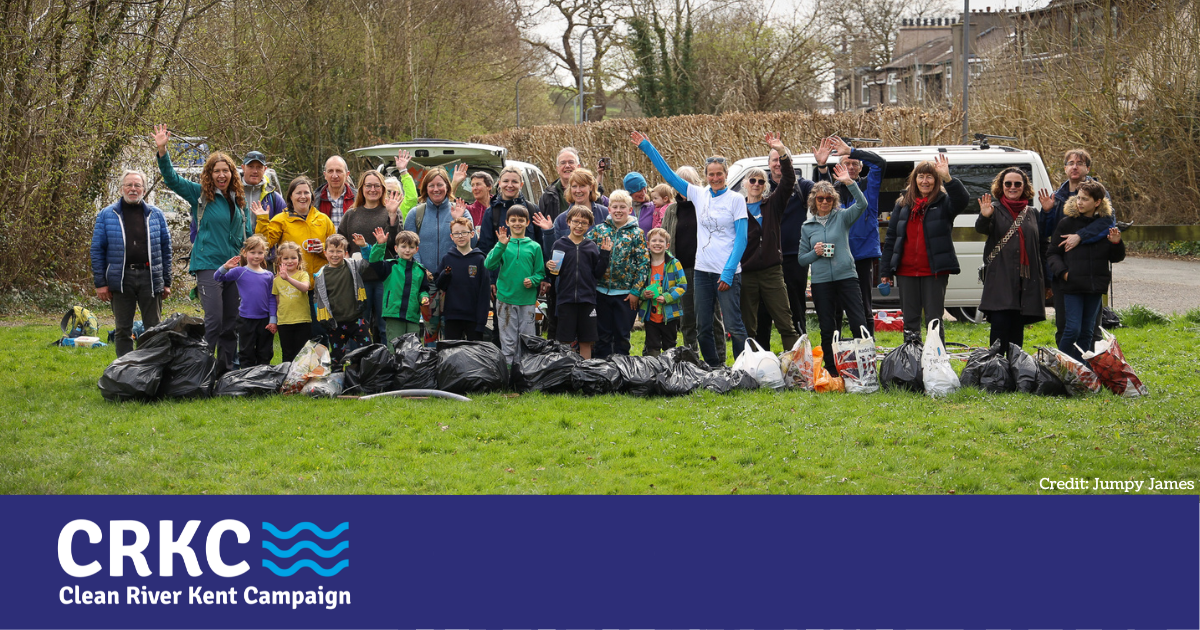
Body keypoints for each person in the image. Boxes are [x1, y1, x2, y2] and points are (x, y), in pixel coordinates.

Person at [633, 130, 749, 367]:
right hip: (702, 271)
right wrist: (647, 146)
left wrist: (728, 272)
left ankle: (741, 366)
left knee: (734, 325)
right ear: (705, 176)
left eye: (719, 174)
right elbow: (667, 174)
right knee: (702, 325)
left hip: (727, 272)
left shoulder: (736, 200)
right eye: (711, 174)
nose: (715, 178)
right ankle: (713, 366)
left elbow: (742, 239)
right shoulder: (699, 194)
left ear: (726, 175)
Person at [153, 124, 251, 373]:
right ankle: (202, 370)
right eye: (216, 171)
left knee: (231, 322)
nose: (221, 175)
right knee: (214, 320)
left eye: (225, 170)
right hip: (208, 264)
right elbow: (172, 179)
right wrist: (163, 150)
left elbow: (246, 235)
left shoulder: (238, 201)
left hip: (234, 268)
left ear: (232, 173)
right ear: (209, 173)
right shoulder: (200, 195)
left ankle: (225, 371)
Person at [880, 155, 968, 343]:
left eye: (930, 177)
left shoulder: (944, 202)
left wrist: (948, 178)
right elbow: (891, 238)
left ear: (936, 181)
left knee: (934, 320)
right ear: (915, 179)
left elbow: (962, 200)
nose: (925, 181)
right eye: (921, 176)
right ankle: (911, 361)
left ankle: (936, 363)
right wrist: (885, 270)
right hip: (906, 271)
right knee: (910, 320)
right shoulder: (902, 204)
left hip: (933, 271)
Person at [797, 164, 870, 376]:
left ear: (834, 200)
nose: (825, 202)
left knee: (858, 322)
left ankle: (864, 367)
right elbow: (802, 260)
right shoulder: (807, 227)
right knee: (828, 327)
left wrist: (849, 182)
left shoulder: (842, 217)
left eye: (829, 199)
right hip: (821, 283)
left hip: (846, 277)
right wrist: (815, 253)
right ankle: (831, 371)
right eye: (820, 198)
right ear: (814, 201)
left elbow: (862, 203)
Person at [90, 169, 172, 357]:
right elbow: (97, 250)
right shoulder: (106, 215)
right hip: (121, 278)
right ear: (121, 189)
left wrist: (166, 282)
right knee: (123, 329)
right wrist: (101, 283)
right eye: (129, 185)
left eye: (137, 185)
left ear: (144, 189)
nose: (133, 189)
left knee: (154, 329)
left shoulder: (156, 215)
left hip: (150, 277)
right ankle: (124, 372)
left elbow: (166, 249)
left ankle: (152, 369)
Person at [1037, 148, 1114, 344]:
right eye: (1070, 163)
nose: (1075, 167)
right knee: (1065, 327)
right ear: (1065, 168)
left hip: (1091, 270)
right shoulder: (1057, 197)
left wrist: (1079, 237)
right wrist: (1046, 212)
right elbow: (1046, 233)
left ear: (1087, 168)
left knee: (1091, 330)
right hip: (1063, 271)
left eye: (1079, 163)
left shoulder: (1100, 194)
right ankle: (1065, 369)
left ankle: (1089, 370)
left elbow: (1106, 224)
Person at [1046, 180, 1124, 360]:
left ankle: (1081, 371)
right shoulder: (1066, 223)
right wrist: (1064, 273)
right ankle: (1063, 365)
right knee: (1072, 329)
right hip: (1071, 285)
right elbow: (1052, 254)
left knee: (1087, 332)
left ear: (1097, 202)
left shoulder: (1106, 226)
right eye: (1078, 198)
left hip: (1095, 285)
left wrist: (1116, 243)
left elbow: (1116, 257)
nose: (1079, 202)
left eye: (1085, 199)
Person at [819, 136, 888, 334]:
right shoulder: (834, 190)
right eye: (846, 163)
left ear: (860, 167)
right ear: (839, 167)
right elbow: (821, 194)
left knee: (864, 304)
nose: (850, 166)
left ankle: (868, 349)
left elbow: (880, 163)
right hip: (836, 255)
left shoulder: (869, 185)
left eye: (854, 163)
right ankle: (836, 350)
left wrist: (852, 150)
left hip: (862, 254)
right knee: (835, 308)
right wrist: (822, 167)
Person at [740, 132, 801, 353]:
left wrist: (782, 153)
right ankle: (750, 367)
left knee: (786, 322)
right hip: (745, 273)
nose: (756, 184)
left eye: (760, 181)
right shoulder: (736, 208)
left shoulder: (772, 204)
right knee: (748, 326)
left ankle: (795, 369)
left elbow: (788, 180)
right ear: (745, 184)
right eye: (752, 180)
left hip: (772, 272)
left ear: (765, 185)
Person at [661, 166, 726, 362]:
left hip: (705, 270)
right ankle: (693, 361)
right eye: (678, 184)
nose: (683, 188)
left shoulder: (706, 205)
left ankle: (718, 360)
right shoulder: (672, 210)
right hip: (680, 272)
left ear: (695, 184)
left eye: (687, 183)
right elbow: (664, 239)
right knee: (687, 319)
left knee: (711, 318)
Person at [977, 167, 1046, 349]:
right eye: (1008, 183)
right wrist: (985, 217)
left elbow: (1042, 246)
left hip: (1025, 282)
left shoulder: (1032, 213)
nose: (1012, 187)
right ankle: (997, 371)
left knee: (1017, 334)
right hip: (1000, 280)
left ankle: (1015, 371)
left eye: (1017, 184)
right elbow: (982, 229)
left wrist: (1047, 281)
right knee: (999, 330)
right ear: (1001, 186)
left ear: (1024, 187)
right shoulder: (994, 210)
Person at [402, 166, 470, 345]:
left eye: (440, 184)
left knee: (452, 328)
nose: (436, 189)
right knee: (430, 329)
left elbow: (473, 243)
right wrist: (421, 269)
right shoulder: (416, 214)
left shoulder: (461, 210)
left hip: (454, 282)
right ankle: (430, 364)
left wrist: (459, 220)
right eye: (431, 185)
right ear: (425, 188)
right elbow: (408, 247)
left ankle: (451, 365)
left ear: (447, 187)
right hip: (427, 283)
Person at [478, 165, 545, 343]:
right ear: (499, 183)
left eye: (514, 181)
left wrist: (542, 279)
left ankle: (525, 367)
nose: (510, 185)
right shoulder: (492, 212)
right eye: (506, 181)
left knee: (527, 331)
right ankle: (505, 367)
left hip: (527, 286)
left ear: (521, 184)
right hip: (503, 285)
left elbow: (540, 245)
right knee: (502, 331)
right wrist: (491, 280)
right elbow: (486, 248)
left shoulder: (532, 210)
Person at [339, 170, 405, 344]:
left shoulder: (392, 212)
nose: (373, 189)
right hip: (360, 280)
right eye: (368, 185)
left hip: (386, 279)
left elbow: (397, 243)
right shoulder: (351, 214)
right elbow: (341, 242)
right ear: (362, 188)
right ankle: (358, 364)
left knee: (386, 327)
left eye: (377, 185)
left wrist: (392, 216)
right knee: (360, 326)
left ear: (383, 188)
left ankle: (388, 364)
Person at [768, 135, 823, 339]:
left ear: (789, 163)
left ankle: (801, 346)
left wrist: (822, 167)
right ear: (769, 165)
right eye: (773, 160)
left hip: (794, 256)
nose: (777, 164)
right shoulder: (761, 187)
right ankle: (763, 352)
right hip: (768, 257)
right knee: (765, 307)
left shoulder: (802, 186)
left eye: (781, 159)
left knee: (796, 303)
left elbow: (824, 194)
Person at [546, 205, 611, 359]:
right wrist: (548, 267)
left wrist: (605, 255)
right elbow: (554, 273)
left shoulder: (591, 246)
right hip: (566, 300)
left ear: (589, 226)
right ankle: (565, 372)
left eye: (584, 222)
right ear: (568, 222)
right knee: (565, 340)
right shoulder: (559, 244)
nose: (579, 225)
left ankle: (586, 373)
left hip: (587, 300)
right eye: (575, 221)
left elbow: (598, 273)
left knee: (586, 340)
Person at [589, 190, 649, 358]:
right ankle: (603, 371)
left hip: (626, 296)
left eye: (622, 207)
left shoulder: (637, 234)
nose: (618, 210)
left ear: (630, 210)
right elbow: (585, 252)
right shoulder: (599, 231)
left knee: (622, 336)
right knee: (603, 336)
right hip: (601, 292)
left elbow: (643, 264)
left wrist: (636, 291)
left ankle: (622, 371)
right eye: (614, 207)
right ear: (609, 209)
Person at [484, 204, 545, 367]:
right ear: (507, 222)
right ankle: (509, 373)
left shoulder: (535, 247)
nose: (517, 223)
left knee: (526, 339)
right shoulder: (503, 245)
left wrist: (532, 280)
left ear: (527, 223)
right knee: (508, 340)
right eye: (513, 220)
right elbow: (489, 264)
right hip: (505, 300)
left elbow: (540, 273)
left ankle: (525, 373)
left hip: (527, 301)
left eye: (521, 220)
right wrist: (500, 245)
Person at [255, 176, 337, 277]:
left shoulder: (323, 219)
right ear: (290, 196)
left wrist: (323, 248)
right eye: (298, 193)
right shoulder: (281, 219)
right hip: (291, 282)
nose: (303, 196)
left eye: (306, 193)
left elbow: (336, 246)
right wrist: (262, 220)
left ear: (311, 195)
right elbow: (264, 245)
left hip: (320, 281)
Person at [214, 235, 275, 368]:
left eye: (260, 253)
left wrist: (273, 319)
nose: (256, 256)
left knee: (264, 351)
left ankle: (262, 377)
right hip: (245, 319)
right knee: (246, 351)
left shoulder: (268, 275)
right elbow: (218, 277)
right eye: (252, 253)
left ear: (265, 253)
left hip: (264, 320)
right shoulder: (239, 271)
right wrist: (226, 266)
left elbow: (272, 298)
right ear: (245, 253)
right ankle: (246, 378)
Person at [312, 234, 372, 363]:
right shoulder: (320, 275)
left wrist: (364, 246)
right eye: (331, 251)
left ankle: (364, 377)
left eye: (339, 251)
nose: (335, 255)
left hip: (356, 319)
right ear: (325, 253)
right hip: (336, 324)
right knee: (337, 357)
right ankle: (337, 380)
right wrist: (320, 315)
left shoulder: (353, 266)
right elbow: (317, 298)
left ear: (345, 253)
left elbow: (368, 260)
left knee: (367, 351)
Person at [367, 228, 431, 347]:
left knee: (412, 348)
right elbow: (374, 261)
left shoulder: (420, 270)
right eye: (403, 246)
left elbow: (423, 290)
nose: (407, 250)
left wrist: (424, 297)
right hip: (393, 314)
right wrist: (380, 245)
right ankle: (394, 366)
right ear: (396, 248)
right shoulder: (389, 266)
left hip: (412, 315)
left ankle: (410, 366)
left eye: (411, 247)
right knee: (394, 347)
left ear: (416, 250)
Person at [436, 217, 490, 341]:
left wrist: (482, 321)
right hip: (452, 316)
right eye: (456, 233)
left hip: (474, 318)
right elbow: (440, 285)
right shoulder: (447, 259)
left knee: (474, 354)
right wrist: (445, 274)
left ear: (472, 234)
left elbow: (484, 292)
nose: (460, 236)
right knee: (452, 353)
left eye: (464, 232)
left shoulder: (480, 259)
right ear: (451, 237)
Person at [638, 228, 687, 356]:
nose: (657, 243)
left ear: (667, 245)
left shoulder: (674, 263)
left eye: (661, 241)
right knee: (652, 345)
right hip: (650, 314)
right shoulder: (644, 264)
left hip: (669, 314)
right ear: (648, 244)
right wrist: (643, 293)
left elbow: (682, 285)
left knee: (670, 345)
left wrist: (667, 297)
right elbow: (638, 284)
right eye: (653, 240)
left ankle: (669, 371)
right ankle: (653, 370)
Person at [271, 241, 312, 363]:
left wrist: (288, 279)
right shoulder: (276, 280)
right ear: (280, 260)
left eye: (293, 258)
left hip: (302, 320)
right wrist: (276, 320)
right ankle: (287, 379)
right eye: (286, 258)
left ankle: (301, 379)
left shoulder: (302, 275)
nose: (290, 261)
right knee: (287, 354)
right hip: (285, 322)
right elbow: (277, 301)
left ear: (299, 259)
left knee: (302, 354)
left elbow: (305, 288)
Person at [548, 168, 610, 241]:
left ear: (591, 187)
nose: (578, 190)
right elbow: (552, 250)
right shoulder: (561, 220)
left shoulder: (605, 214)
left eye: (582, 186)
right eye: (574, 186)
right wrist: (548, 232)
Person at [538, 147, 582, 220]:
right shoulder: (548, 197)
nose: (567, 166)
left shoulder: (590, 193)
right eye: (563, 163)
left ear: (578, 167)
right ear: (557, 169)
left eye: (571, 162)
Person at [241, 151, 287, 221]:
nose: (255, 171)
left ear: (265, 169)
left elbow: (284, 226)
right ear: (243, 168)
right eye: (251, 166)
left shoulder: (275, 198)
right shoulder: (232, 193)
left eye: (259, 167)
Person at [316, 155, 356, 228]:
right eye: (330, 171)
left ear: (347, 174)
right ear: (325, 175)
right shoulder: (315, 200)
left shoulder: (358, 198)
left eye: (339, 171)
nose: (334, 176)